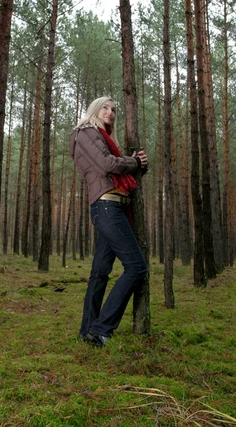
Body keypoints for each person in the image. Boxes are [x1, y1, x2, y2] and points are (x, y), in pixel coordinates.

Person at [69, 96, 148, 347]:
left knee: (100, 272)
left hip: (114, 207)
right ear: (94, 109)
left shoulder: (103, 139)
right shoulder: (86, 133)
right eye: (105, 107)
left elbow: (116, 166)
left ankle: (88, 330)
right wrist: (133, 162)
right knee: (136, 267)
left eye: (114, 109)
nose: (111, 112)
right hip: (107, 207)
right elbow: (107, 164)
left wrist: (137, 164)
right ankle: (102, 329)